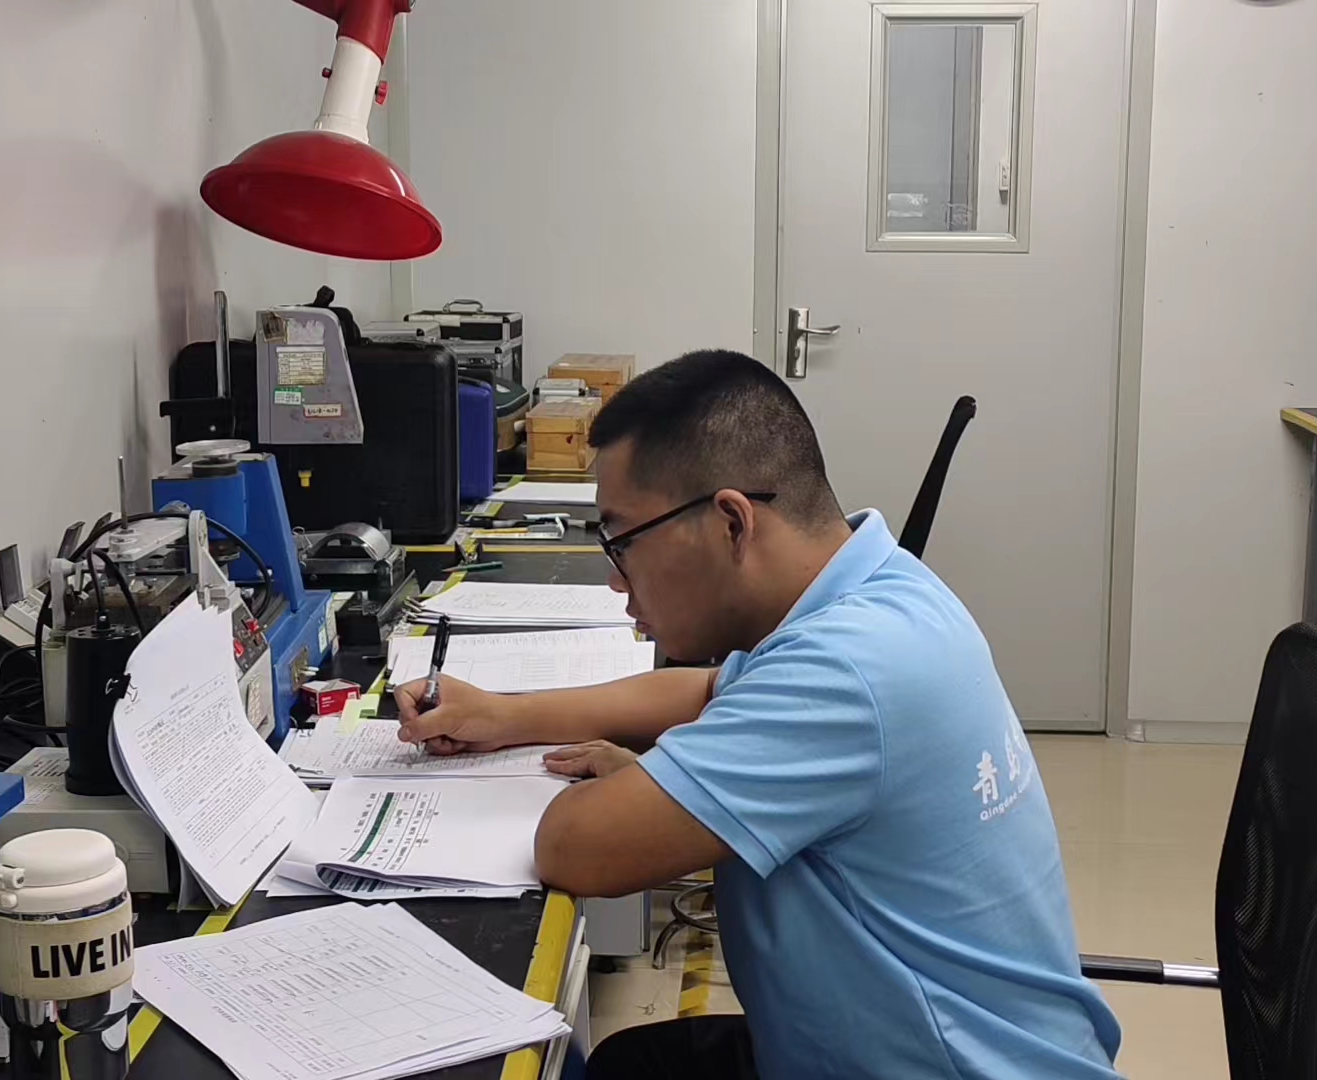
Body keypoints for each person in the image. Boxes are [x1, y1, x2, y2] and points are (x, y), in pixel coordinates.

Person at [393, 350, 1122, 1080]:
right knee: (629, 1064)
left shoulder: (844, 671)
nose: (615, 579)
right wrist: (505, 715)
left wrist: (658, 786)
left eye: (623, 542)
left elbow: (573, 848)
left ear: (731, 523)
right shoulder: (881, 589)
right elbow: (704, 692)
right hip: (938, 1046)